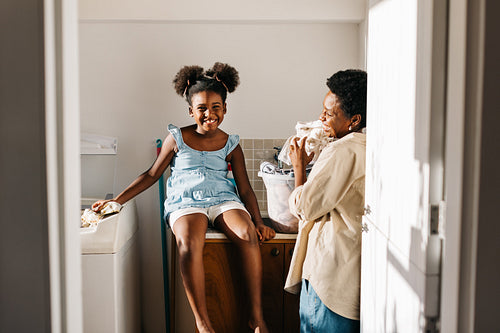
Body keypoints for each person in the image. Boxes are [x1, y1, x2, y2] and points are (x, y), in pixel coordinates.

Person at [92, 62, 275, 333]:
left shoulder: (231, 143)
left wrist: (258, 222)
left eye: (216, 107)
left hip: (223, 199)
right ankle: (203, 324)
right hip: (186, 202)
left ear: (225, 109)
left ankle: (256, 317)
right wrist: (117, 200)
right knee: (189, 242)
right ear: (191, 111)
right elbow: (152, 174)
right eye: (202, 108)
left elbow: (245, 189)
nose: (209, 114)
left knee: (247, 234)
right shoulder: (177, 137)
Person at [284, 69, 367, 332]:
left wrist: (299, 168)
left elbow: (304, 206)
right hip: (349, 275)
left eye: (330, 113)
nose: (321, 118)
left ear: (354, 119)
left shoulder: (342, 150)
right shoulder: (366, 146)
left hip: (328, 277)